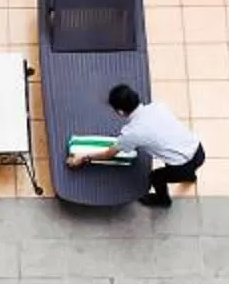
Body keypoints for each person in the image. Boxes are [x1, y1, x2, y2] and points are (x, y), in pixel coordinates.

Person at [67, 81, 205, 208]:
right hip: (198, 151)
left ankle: (163, 200)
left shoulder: (132, 133)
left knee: (156, 177)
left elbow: (108, 154)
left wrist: (83, 157)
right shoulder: (158, 107)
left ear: (120, 112)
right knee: (182, 166)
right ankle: (190, 176)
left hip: (181, 166)